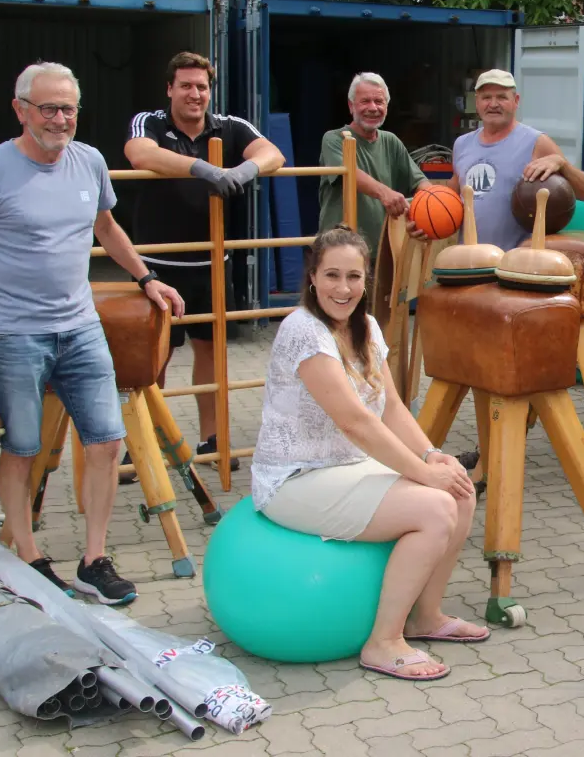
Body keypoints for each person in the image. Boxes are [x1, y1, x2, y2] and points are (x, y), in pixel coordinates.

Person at [0, 62, 185, 604]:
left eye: (68, 108)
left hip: (80, 327)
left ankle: (93, 560)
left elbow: (106, 227)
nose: (59, 119)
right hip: (13, 334)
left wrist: (146, 278)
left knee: (107, 441)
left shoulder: (90, 162)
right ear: (20, 109)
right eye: (48, 108)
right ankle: (28, 557)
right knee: (22, 446)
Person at [250, 225, 483, 681]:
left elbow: (390, 406)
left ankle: (425, 617)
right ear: (312, 277)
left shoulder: (368, 326)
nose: (343, 288)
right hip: (295, 478)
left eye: (354, 277)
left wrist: (433, 455)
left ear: (366, 279)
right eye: (332, 275)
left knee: (458, 490)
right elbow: (354, 421)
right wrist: (420, 474)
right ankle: (383, 642)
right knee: (436, 507)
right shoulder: (303, 330)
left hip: (348, 467)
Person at [124, 52, 285, 466]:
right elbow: (139, 154)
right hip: (159, 268)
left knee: (211, 354)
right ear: (169, 89)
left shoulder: (229, 127)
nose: (195, 95)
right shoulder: (151, 122)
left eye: (202, 87)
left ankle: (212, 442)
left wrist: (244, 171)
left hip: (212, 264)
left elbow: (273, 153)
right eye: (186, 86)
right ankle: (144, 445)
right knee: (154, 358)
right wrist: (204, 168)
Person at [409, 69, 584, 251]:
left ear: (516, 101)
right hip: (469, 262)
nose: (493, 104)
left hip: (516, 264)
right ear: (477, 102)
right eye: (486, 97)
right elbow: (450, 202)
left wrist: (562, 164)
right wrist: (424, 222)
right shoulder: (462, 144)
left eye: (502, 97)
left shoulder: (536, 141)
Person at [318, 72, 433, 256]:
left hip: (381, 252)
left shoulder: (391, 141)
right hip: (340, 250)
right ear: (351, 106)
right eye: (365, 101)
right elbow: (349, 173)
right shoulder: (334, 138)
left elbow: (420, 182)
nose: (373, 108)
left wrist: (432, 205)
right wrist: (385, 193)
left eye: (379, 102)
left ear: (387, 106)